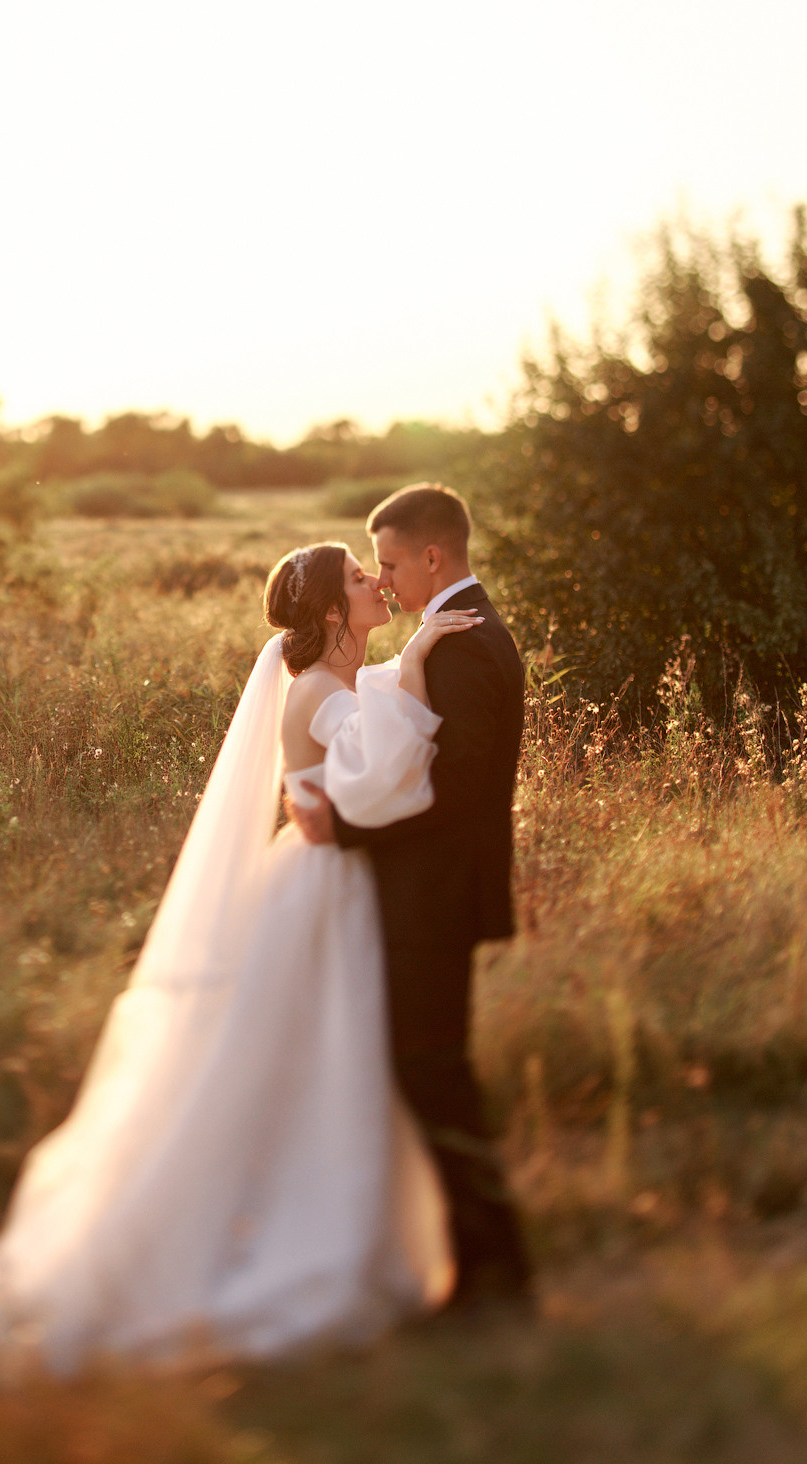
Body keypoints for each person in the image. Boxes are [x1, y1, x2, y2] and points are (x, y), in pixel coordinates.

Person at [0, 541, 483, 1379]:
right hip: (321, 893)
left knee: (337, 1058)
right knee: (322, 1057)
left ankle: (340, 1223)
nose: (376, 582)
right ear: (328, 611)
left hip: (333, 882)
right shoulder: (317, 689)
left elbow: (371, 750)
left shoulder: (335, 682)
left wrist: (403, 668)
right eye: (358, 577)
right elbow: (386, 774)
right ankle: (292, 1237)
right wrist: (417, 658)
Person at [286, 484, 534, 1312]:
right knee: (426, 1071)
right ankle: (477, 1256)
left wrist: (346, 833)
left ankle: (493, 1266)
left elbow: (454, 792)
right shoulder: (455, 636)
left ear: (432, 556)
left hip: (435, 897)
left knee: (433, 1074)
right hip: (426, 895)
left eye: (388, 564)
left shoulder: (464, 644)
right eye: (371, 571)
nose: (384, 581)